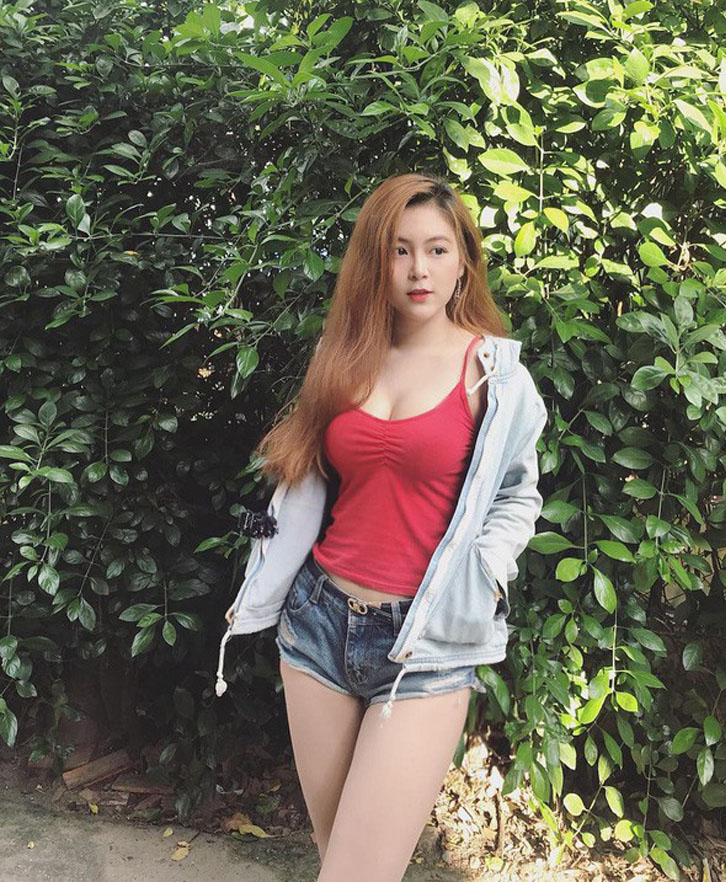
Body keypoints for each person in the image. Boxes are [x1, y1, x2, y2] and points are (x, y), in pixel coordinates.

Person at [215, 172, 548, 881]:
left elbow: (518, 495)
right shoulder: (343, 357)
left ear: (463, 262)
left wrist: (485, 575)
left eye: (436, 249)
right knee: (339, 859)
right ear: (377, 260)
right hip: (318, 624)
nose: (418, 269)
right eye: (400, 250)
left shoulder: (494, 377)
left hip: (425, 646)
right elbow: (305, 473)